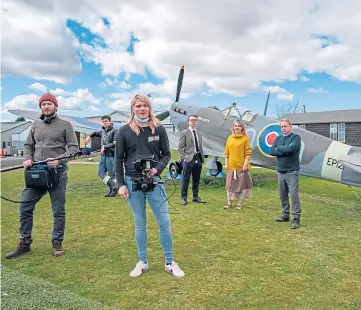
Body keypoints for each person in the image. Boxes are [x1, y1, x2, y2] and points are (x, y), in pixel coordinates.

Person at [115, 94, 185, 278]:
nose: (142, 109)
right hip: (132, 182)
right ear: (133, 108)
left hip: (154, 182)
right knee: (140, 223)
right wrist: (121, 184)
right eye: (138, 106)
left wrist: (156, 170)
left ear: (150, 108)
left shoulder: (159, 129)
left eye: (145, 105)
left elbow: (167, 154)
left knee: (165, 222)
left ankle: (170, 262)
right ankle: (142, 261)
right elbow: (118, 159)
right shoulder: (123, 131)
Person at [5, 93, 79, 259]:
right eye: (43, 104)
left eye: (49, 104)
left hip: (57, 175)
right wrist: (27, 159)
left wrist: (59, 161)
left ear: (55, 106)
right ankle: (25, 243)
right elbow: (28, 145)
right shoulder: (35, 125)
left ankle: (57, 242)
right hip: (36, 173)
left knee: (58, 211)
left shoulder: (66, 125)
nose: (46, 107)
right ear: (40, 107)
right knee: (25, 207)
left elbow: (74, 149)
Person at [270, 118, 301, 229]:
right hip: (280, 171)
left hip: (292, 171)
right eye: (282, 127)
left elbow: (292, 148)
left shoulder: (296, 138)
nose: (283, 128)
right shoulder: (278, 138)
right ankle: (285, 215)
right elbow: (272, 151)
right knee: (282, 195)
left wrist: (280, 149)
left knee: (293, 195)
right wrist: (285, 151)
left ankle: (296, 218)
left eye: (285, 126)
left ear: (290, 127)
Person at [85, 115, 118, 197]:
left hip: (111, 155)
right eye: (103, 121)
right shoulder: (101, 131)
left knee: (111, 175)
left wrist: (104, 147)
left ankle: (112, 190)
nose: (104, 123)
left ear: (110, 121)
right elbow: (94, 132)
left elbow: (115, 143)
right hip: (103, 155)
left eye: (106, 121)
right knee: (101, 173)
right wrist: (88, 136)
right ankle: (113, 186)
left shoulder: (115, 131)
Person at [224, 120, 253, 209]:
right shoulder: (230, 138)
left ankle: (240, 203)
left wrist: (245, 164)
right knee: (229, 185)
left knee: (242, 186)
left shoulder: (245, 139)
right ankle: (229, 202)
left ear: (242, 128)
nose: (237, 127)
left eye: (239, 126)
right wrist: (226, 163)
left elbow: (248, 153)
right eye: (235, 126)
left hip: (242, 167)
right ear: (233, 127)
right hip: (231, 166)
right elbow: (227, 152)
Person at [178, 115, 206, 206]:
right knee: (186, 179)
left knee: (196, 179)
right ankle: (183, 198)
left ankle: (195, 197)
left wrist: (202, 157)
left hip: (198, 158)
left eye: (195, 120)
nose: (193, 122)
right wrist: (184, 158)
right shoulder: (184, 132)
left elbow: (200, 146)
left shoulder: (199, 133)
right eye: (191, 120)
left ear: (197, 122)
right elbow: (180, 147)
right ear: (188, 122)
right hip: (188, 159)